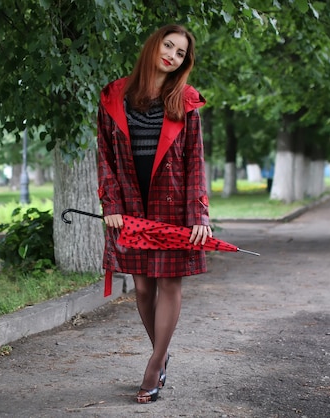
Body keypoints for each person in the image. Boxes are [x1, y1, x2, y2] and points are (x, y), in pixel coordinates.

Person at [96, 24, 212, 404]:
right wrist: (111, 204)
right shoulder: (115, 94)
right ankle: (161, 356)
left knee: (169, 284)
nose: (173, 56)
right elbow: (105, 156)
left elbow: (195, 160)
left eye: (181, 54)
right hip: (130, 203)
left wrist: (199, 213)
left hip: (173, 205)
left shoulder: (187, 100)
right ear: (154, 45)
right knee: (143, 288)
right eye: (169, 46)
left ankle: (153, 366)